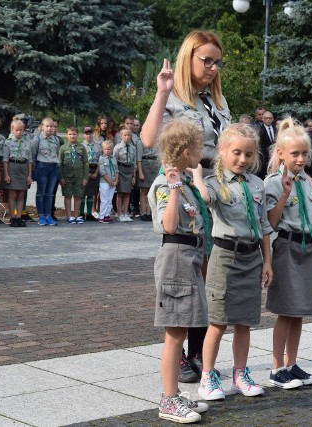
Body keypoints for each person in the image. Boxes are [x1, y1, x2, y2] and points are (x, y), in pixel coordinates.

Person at [141, 30, 231, 384]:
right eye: (205, 60)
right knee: (185, 269)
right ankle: (177, 353)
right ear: (188, 58)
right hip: (183, 187)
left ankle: (197, 351)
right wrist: (162, 92)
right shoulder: (174, 97)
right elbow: (149, 139)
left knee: (209, 272)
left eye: (216, 62)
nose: (212, 67)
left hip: (215, 187)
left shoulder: (217, 101)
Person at [195, 123, 272, 401]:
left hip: (252, 257)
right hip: (225, 257)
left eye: (249, 154)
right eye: (236, 152)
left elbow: (263, 225)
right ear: (223, 151)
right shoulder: (214, 182)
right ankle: (207, 376)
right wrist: (196, 175)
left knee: (244, 322)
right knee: (218, 321)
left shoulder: (257, 184)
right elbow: (205, 199)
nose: (243, 159)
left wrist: (267, 262)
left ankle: (240, 374)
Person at [149, 119, 210, 424]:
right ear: (186, 150)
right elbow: (170, 225)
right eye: (199, 145)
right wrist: (173, 189)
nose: (203, 150)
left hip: (189, 257)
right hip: (176, 257)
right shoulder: (167, 183)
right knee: (175, 333)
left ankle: (173, 394)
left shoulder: (185, 180)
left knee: (182, 328)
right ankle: (168, 399)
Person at [263, 117, 312, 389]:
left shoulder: (310, 183)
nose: (300, 159)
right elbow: (271, 223)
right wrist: (285, 195)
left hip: (309, 247)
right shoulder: (273, 183)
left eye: (304, 154)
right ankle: (276, 368)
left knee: (299, 311)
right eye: (294, 154)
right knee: (286, 310)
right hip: (287, 247)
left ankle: (292, 363)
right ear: (281, 154)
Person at [3, 119, 32, 227]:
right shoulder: (8, 142)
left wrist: (29, 175)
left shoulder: (27, 143)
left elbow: (30, 160)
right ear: (12, 130)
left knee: (21, 195)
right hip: (12, 167)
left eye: (21, 130)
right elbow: (5, 160)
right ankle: (12, 217)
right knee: (13, 195)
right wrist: (6, 174)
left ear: (24, 131)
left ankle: (19, 217)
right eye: (17, 130)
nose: (19, 132)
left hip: (23, 168)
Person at [31, 117, 60, 226]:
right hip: (42, 167)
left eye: (51, 126)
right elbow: (33, 155)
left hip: (53, 167)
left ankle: (49, 215)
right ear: (42, 127)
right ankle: (41, 216)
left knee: (50, 193)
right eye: (47, 126)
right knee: (41, 193)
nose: (49, 128)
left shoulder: (56, 139)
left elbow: (56, 153)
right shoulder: (37, 139)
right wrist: (33, 171)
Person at [58, 127, 89, 224]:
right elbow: (60, 164)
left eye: (74, 134)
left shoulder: (81, 147)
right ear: (67, 135)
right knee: (67, 196)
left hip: (79, 176)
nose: (72, 136)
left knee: (78, 196)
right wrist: (61, 177)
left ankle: (76, 216)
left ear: (77, 135)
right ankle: (69, 216)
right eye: (70, 134)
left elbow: (85, 163)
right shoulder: (63, 148)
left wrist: (85, 177)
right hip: (67, 176)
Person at [113, 128, 137, 222]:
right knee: (120, 193)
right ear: (121, 136)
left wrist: (134, 176)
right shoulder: (117, 147)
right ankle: (119, 213)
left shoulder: (133, 148)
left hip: (129, 170)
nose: (127, 137)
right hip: (121, 170)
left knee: (127, 193)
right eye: (125, 135)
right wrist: (116, 176)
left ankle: (126, 213)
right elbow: (114, 162)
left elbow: (134, 163)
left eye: (128, 135)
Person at [81, 126, 102, 221]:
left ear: (93, 134)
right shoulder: (81, 146)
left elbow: (100, 161)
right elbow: (80, 161)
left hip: (94, 169)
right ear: (84, 135)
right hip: (84, 169)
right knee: (82, 193)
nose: (89, 136)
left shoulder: (98, 146)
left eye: (90, 133)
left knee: (91, 193)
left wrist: (96, 173)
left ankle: (89, 213)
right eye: (87, 134)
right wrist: (86, 173)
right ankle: (81, 213)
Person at [98, 141, 118, 223]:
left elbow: (117, 170)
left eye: (109, 149)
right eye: (105, 149)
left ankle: (107, 215)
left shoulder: (113, 158)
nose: (107, 151)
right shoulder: (101, 159)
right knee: (104, 200)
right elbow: (102, 172)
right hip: (104, 182)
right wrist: (109, 181)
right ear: (102, 149)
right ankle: (102, 216)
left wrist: (116, 180)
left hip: (113, 182)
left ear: (112, 150)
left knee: (110, 200)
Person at [257, 110, 277, 179]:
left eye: (270, 118)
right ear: (262, 119)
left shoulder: (276, 129)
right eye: (266, 118)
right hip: (264, 159)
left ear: (273, 119)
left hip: (275, 157)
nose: (268, 120)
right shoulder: (260, 130)